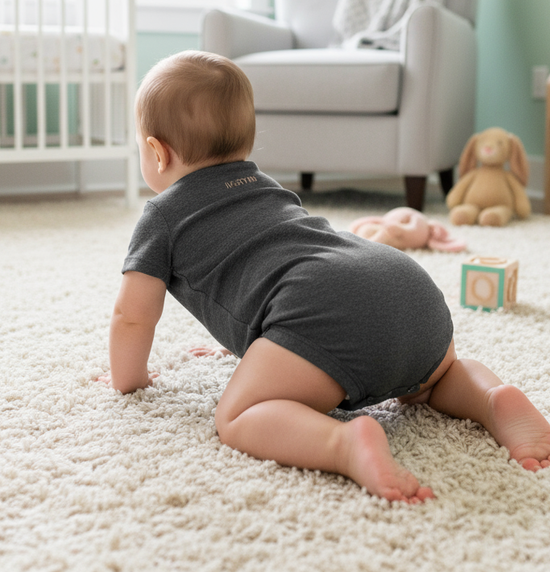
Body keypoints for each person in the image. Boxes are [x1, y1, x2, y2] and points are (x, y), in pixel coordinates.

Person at [97, 50, 550, 504]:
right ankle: (493, 400)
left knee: (237, 415)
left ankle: (343, 444)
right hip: (405, 285)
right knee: (436, 378)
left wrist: (129, 380)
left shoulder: (162, 216)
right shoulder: (268, 188)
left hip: (324, 310)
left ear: (156, 151)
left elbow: (133, 317)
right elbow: (266, 263)